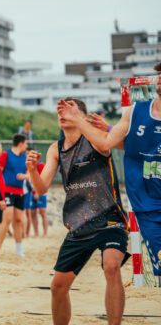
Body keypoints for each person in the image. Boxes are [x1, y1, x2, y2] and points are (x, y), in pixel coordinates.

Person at [28, 97, 130, 325]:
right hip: (79, 224)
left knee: (111, 266)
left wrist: (81, 119)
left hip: (110, 220)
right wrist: (33, 170)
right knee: (58, 287)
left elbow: (105, 146)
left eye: (69, 111)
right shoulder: (56, 148)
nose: (62, 115)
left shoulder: (94, 138)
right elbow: (42, 188)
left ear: (81, 116)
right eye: (60, 112)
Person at [58, 64, 161, 281]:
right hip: (148, 205)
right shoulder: (136, 111)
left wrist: (85, 122)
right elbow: (114, 143)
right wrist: (92, 124)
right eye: (160, 74)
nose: (159, 78)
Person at [0, 134, 29, 257]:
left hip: (20, 192)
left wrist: (25, 176)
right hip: (7, 191)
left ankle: (19, 250)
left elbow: (29, 174)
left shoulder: (24, 157)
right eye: (25, 143)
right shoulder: (6, 154)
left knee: (18, 220)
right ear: (20, 144)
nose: (26, 146)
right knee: (7, 218)